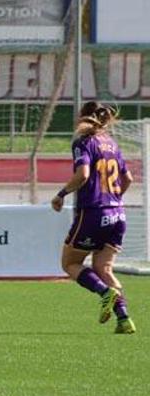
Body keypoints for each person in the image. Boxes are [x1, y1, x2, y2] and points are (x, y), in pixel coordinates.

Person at [52, 101, 135, 334]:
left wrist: (61, 194)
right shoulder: (112, 144)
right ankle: (124, 319)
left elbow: (83, 174)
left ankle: (105, 293)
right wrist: (113, 199)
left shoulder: (84, 142)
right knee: (104, 268)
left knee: (70, 263)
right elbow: (127, 179)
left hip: (93, 212)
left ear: (84, 117)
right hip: (118, 214)